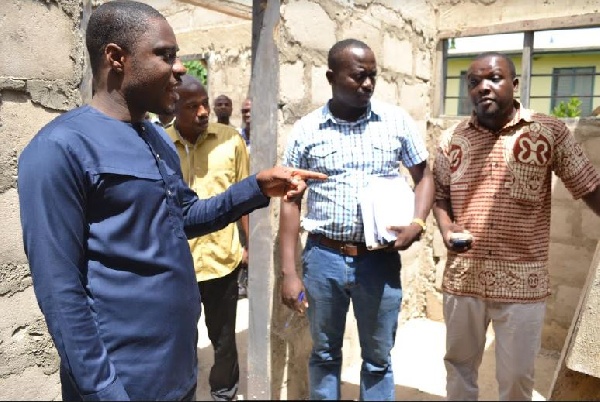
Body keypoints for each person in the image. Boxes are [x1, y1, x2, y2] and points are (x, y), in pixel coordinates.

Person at [16, 1, 326, 401]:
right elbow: (60, 291)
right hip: (122, 383)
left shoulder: (157, 139)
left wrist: (255, 189)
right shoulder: (60, 149)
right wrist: (103, 389)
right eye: (165, 55)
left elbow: (182, 216)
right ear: (116, 57)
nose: (180, 68)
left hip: (178, 372)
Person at [432, 51, 600, 401]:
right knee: (459, 367)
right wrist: (447, 230)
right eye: (474, 82)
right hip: (464, 279)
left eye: (494, 78)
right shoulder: (451, 140)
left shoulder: (548, 131)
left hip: (523, 286)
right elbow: (440, 197)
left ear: (515, 83)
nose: (484, 88)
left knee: (517, 379)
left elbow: (589, 186)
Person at [278, 38, 435, 401]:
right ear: (331, 77)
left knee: (378, 358)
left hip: (378, 261)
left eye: (372, 77)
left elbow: (424, 175)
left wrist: (418, 222)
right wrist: (289, 273)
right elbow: (291, 200)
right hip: (323, 259)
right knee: (325, 353)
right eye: (358, 77)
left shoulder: (395, 121)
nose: (367, 84)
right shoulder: (306, 130)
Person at [165, 74, 249, 401]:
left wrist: (248, 246)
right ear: (173, 107)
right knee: (179, 340)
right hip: (176, 265)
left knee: (224, 340)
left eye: (205, 104)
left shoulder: (231, 141)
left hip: (222, 262)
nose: (203, 111)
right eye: (192, 106)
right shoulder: (159, 145)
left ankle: (223, 393)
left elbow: (244, 197)